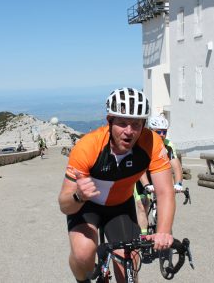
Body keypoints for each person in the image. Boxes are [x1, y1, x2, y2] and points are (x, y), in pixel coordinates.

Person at [58, 87, 176, 282]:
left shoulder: (152, 143)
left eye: (136, 124)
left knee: (128, 265)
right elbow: (64, 205)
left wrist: (163, 231)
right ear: (109, 121)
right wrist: (79, 195)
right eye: (122, 123)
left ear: (143, 124)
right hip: (87, 206)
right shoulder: (88, 147)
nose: (129, 131)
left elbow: (165, 192)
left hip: (120, 207)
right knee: (83, 255)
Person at [134, 114, 184, 236]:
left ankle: (164, 233)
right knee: (143, 205)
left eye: (164, 131)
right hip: (142, 176)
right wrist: (146, 185)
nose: (162, 134)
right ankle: (143, 236)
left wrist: (178, 183)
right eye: (158, 132)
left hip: (160, 176)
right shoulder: (142, 143)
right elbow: (140, 168)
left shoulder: (168, 145)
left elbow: (176, 166)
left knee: (166, 204)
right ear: (151, 131)